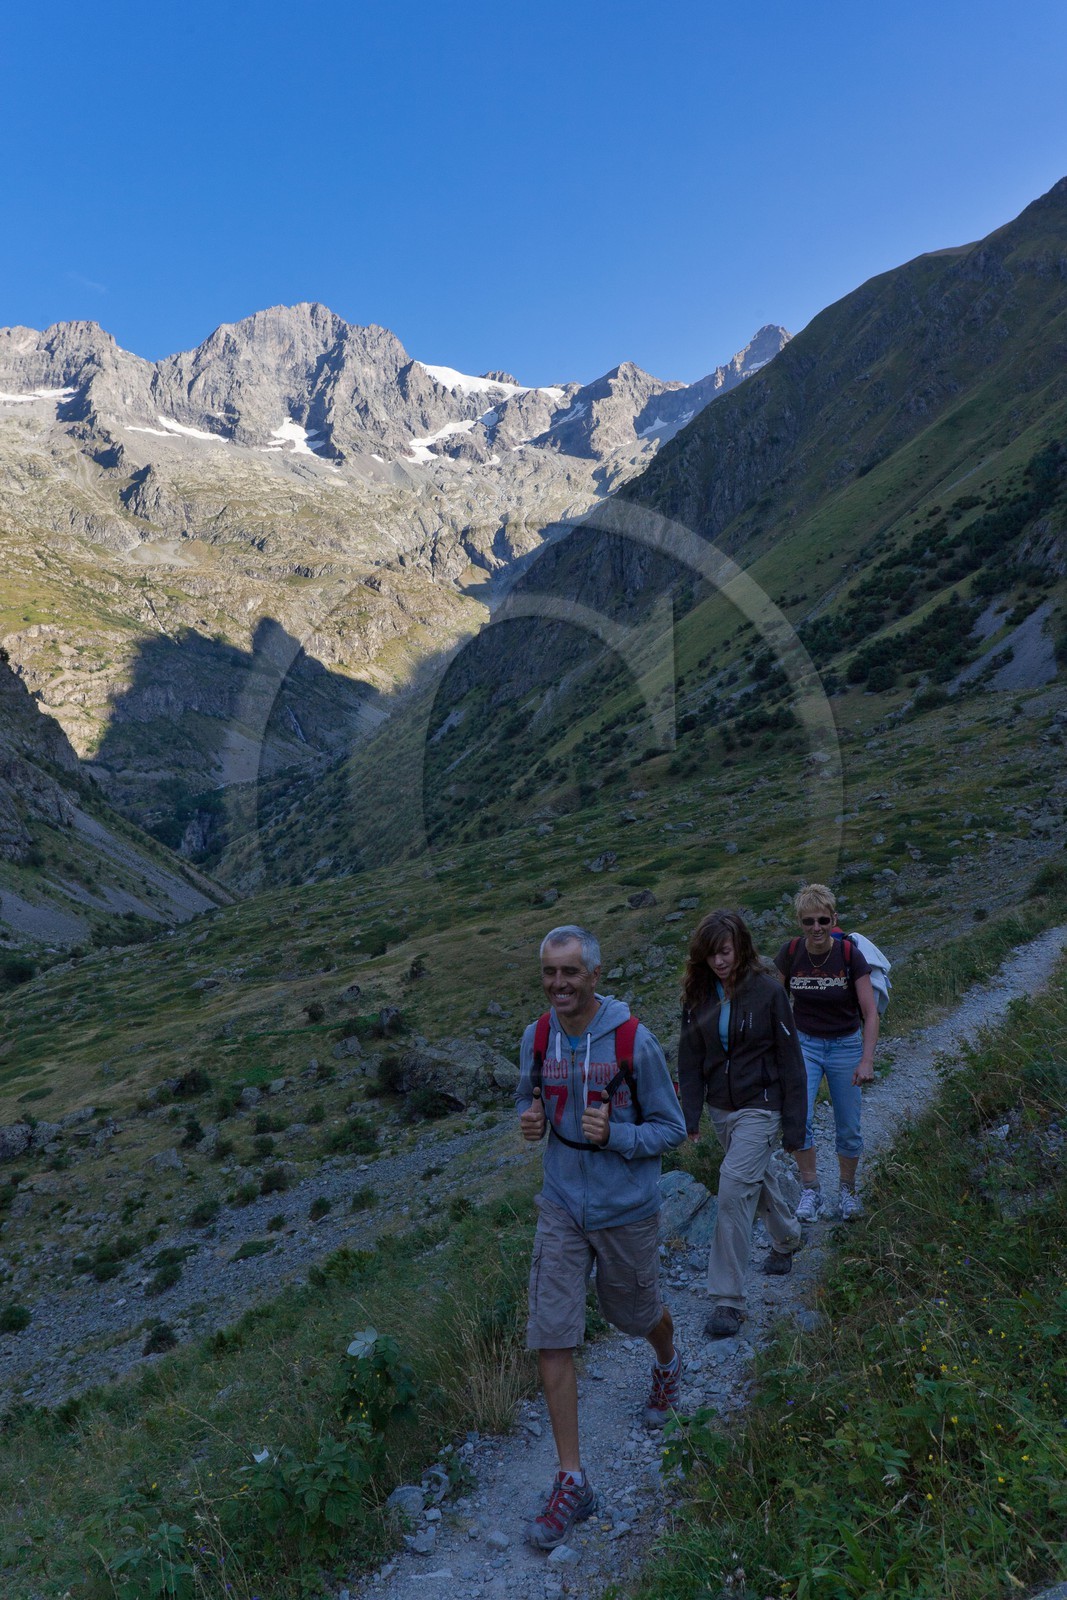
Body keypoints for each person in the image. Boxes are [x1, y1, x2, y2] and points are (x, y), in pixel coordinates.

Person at [516, 924, 686, 1550]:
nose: (558, 984)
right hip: (561, 1204)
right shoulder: (537, 1037)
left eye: (569, 972)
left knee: (634, 1315)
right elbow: (527, 1097)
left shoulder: (634, 1040)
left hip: (625, 1208)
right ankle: (572, 1480)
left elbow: (672, 1128)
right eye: (549, 972)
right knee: (551, 1333)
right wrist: (530, 1120)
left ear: (593, 974)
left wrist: (615, 1136)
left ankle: (668, 1361)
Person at [677, 909, 806, 1340]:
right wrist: (691, 1113)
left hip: (762, 1106)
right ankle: (787, 1239)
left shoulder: (768, 992)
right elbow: (690, 1058)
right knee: (754, 1177)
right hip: (720, 1108)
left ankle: (727, 1300)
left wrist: (795, 1126)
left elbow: (791, 1061)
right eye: (711, 953)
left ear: (741, 948)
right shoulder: (698, 995)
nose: (719, 961)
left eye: (726, 951)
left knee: (733, 1187)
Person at [773, 883, 880, 1222]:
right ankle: (811, 1190)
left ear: (834, 919)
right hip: (804, 1045)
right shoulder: (791, 953)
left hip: (845, 1045)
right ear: (799, 922)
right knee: (798, 1119)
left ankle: (847, 1191)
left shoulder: (849, 955)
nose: (816, 928)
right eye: (808, 921)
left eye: (822, 920)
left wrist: (866, 1060)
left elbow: (870, 1012)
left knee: (848, 1125)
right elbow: (774, 1001)